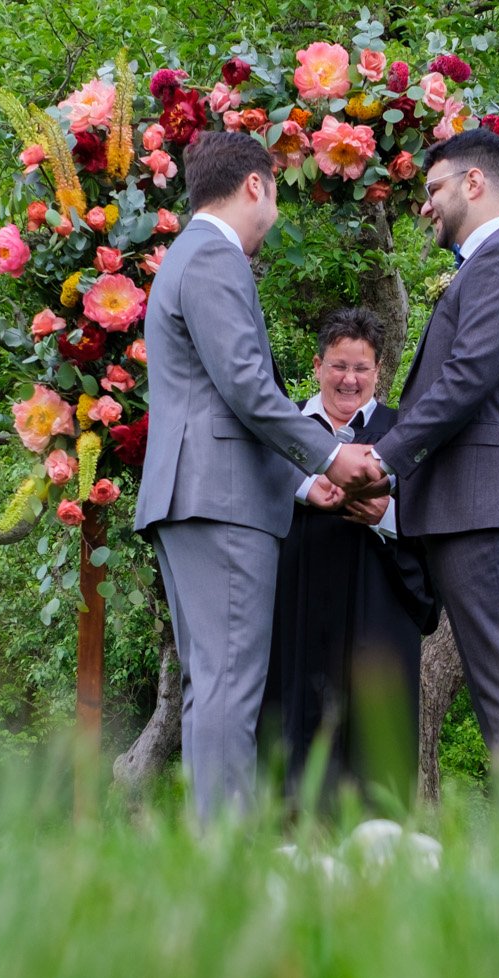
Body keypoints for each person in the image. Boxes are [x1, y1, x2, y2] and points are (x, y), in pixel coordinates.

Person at [133, 132, 385, 820]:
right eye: (276, 188)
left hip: (197, 495)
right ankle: (227, 859)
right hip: (221, 502)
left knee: (210, 683)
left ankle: (214, 847)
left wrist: (302, 484)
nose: (276, 204)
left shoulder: (189, 255)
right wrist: (329, 454)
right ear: (255, 185)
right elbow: (245, 385)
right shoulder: (215, 257)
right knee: (229, 685)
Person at [361, 128, 499, 830]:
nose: (427, 206)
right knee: (496, 687)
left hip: (490, 505)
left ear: (474, 183)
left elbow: (463, 381)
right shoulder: (492, 264)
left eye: (434, 189)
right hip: (471, 505)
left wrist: (382, 459)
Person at [260, 309, 437, 808]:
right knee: (287, 733)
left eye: (362, 368)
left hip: (376, 613)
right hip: (291, 610)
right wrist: (299, 486)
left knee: (374, 744)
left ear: (378, 371)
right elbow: (247, 496)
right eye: (339, 366)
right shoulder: (282, 428)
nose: (350, 380)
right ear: (317, 365)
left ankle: (376, 856)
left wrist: (386, 513)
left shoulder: (403, 435)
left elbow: (435, 522)